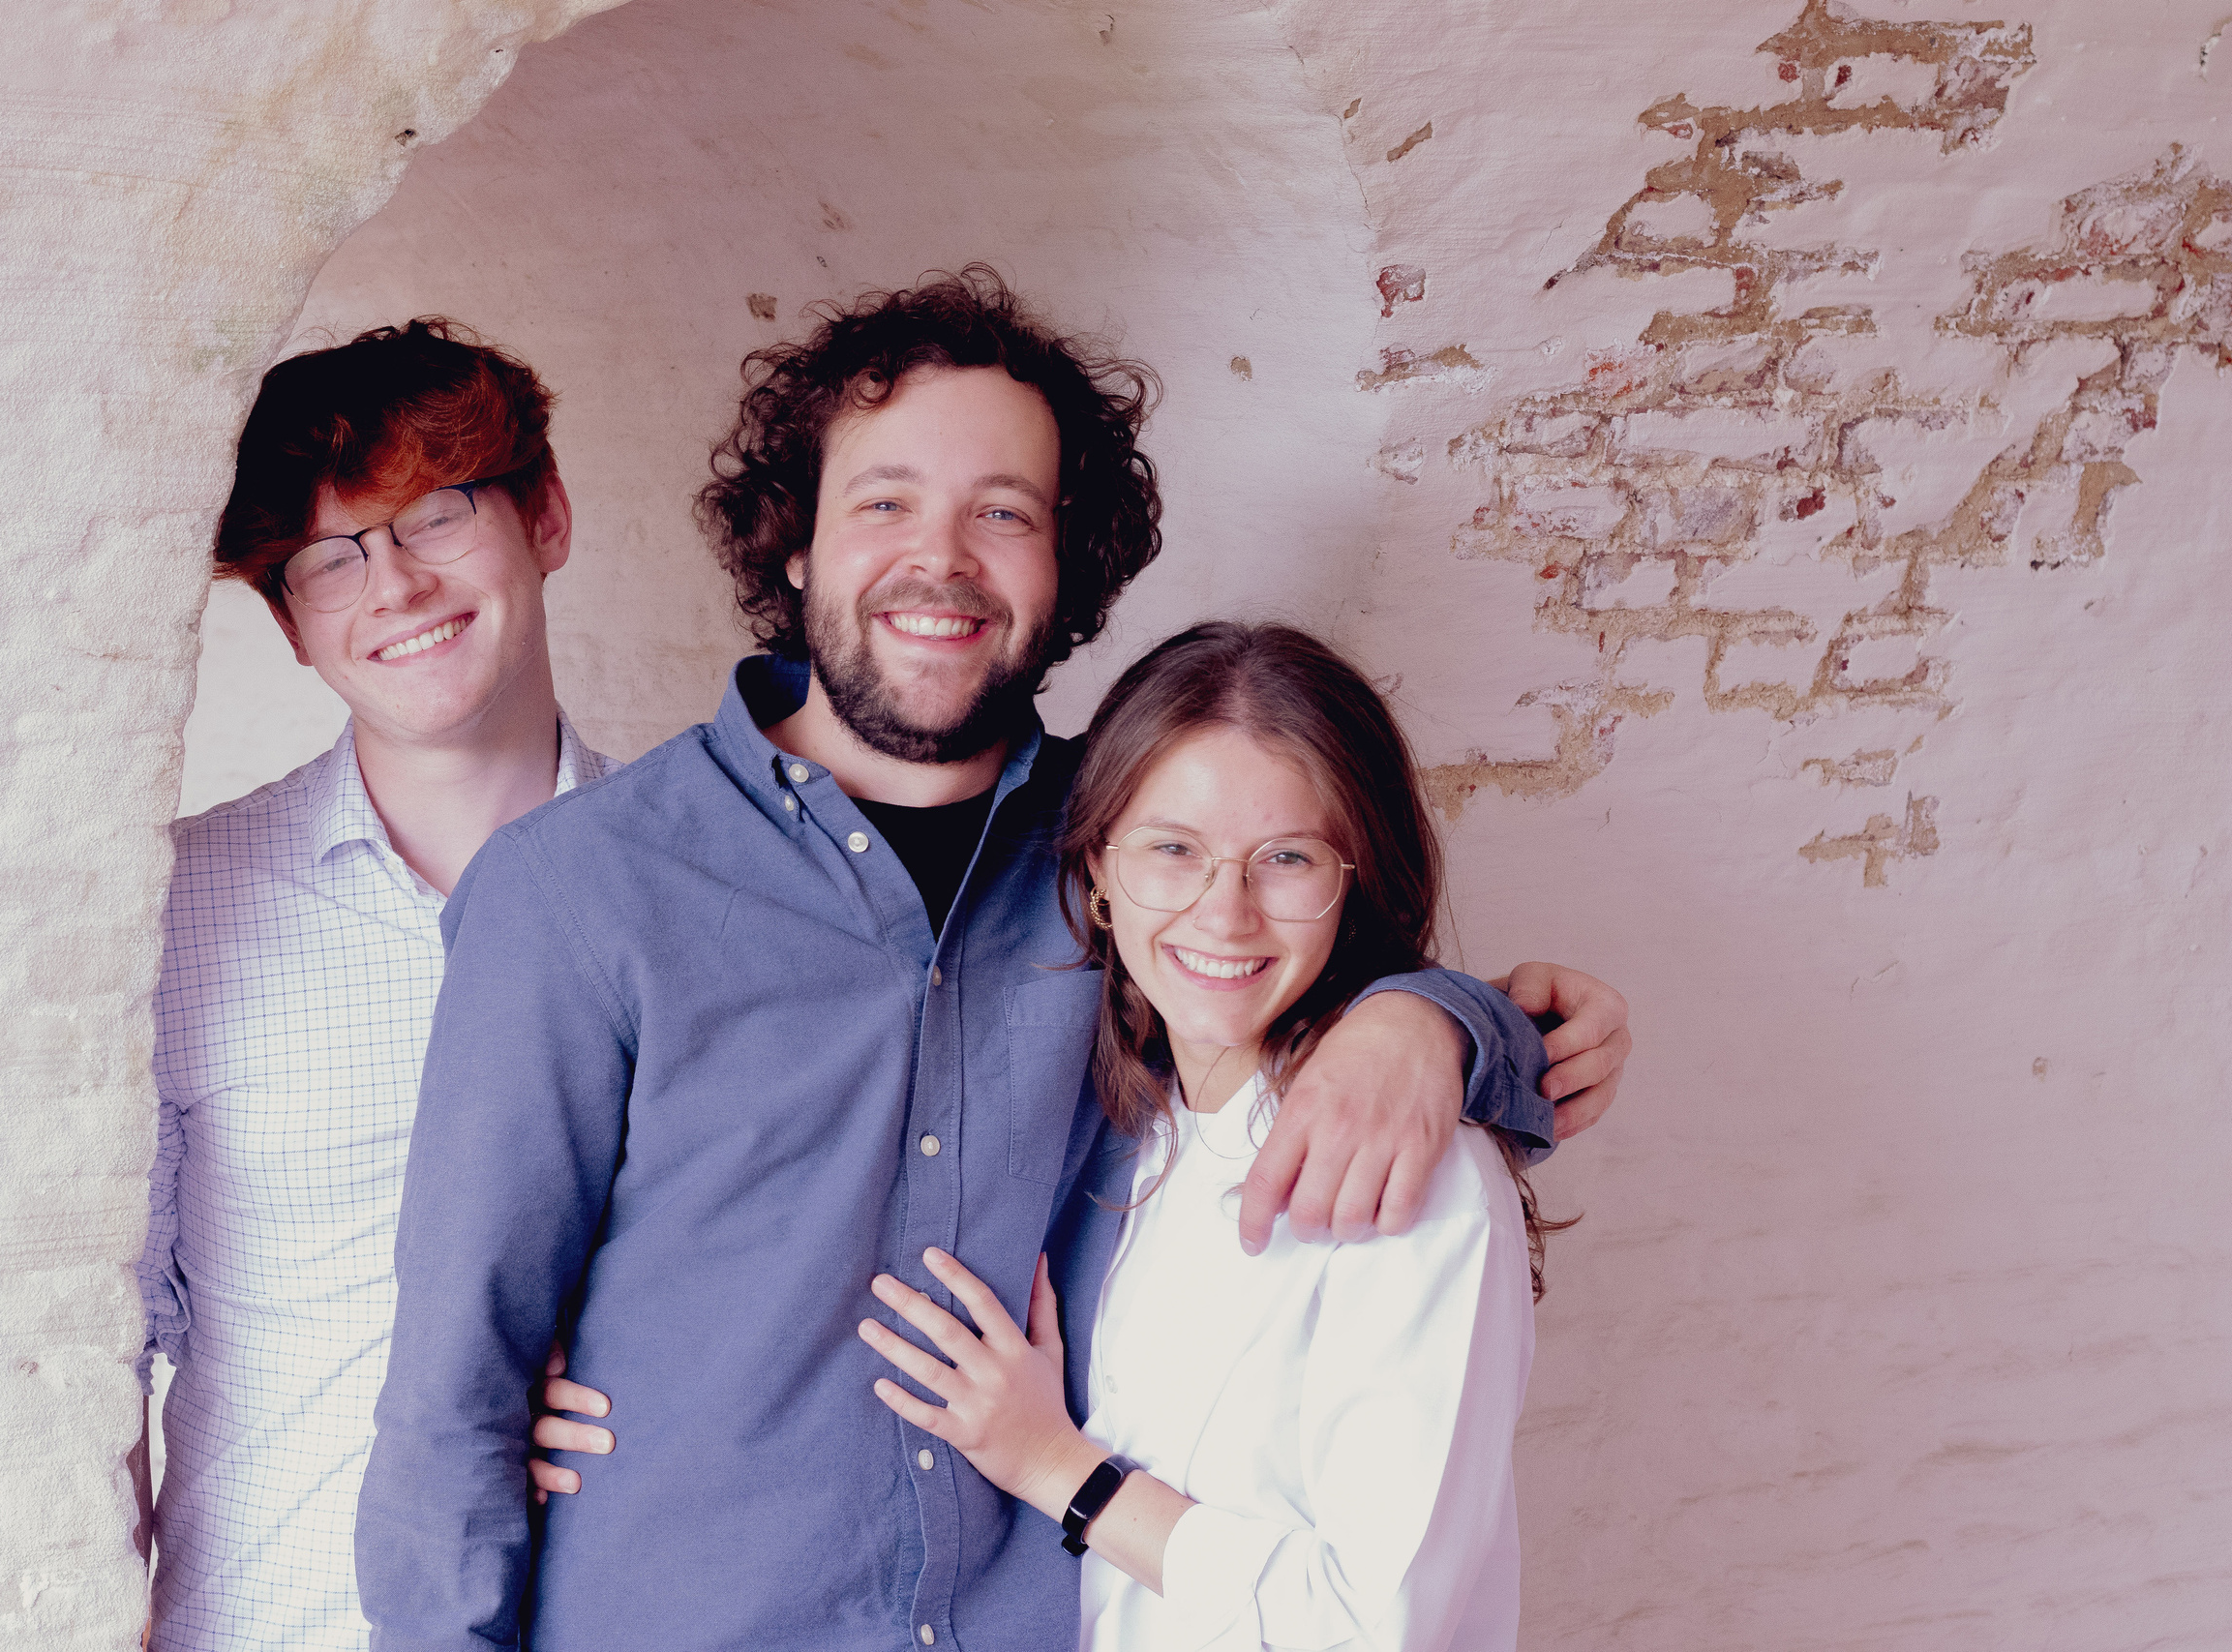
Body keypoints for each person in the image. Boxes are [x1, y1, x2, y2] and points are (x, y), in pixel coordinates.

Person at [357, 268, 1629, 1651]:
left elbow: (1299, 951)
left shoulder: (1131, 851)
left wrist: (1433, 1019)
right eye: (885, 501)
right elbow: (454, 1396)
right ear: (794, 542)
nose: (941, 559)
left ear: (1066, 561)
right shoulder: (577, 889)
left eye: (1003, 513)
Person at [860, 621, 1554, 1651]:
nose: (1221, 914)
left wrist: (1055, 1467)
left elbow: (1372, 1625)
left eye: (1284, 858)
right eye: (1171, 849)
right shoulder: (1134, 1130)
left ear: (1354, 877)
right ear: (1099, 868)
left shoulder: (1408, 1167)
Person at [135, 319, 617, 1651]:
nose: (392, 585)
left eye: (433, 515)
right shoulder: (177, 912)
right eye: (328, 558)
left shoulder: (701, 893)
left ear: (548, 516)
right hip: (274, 1618)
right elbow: (89, 1354)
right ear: (291, 623)